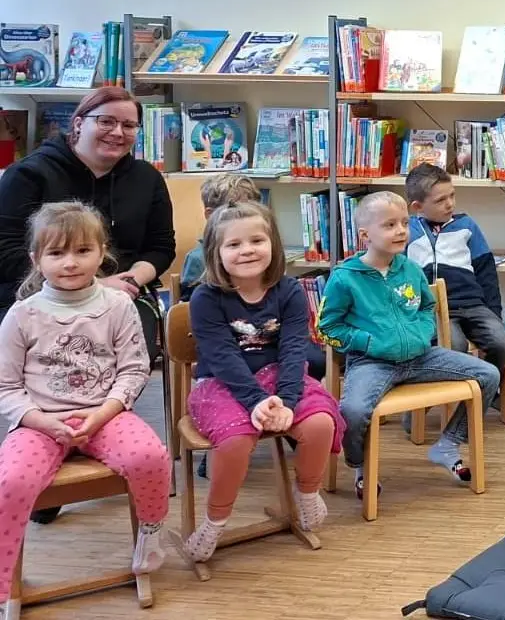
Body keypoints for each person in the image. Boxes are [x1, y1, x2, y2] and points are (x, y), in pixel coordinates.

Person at [0, 202, 169, 601]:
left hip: (106, 414)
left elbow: (134, 369)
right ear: (36, 259)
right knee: (10, 480)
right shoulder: (22, 315)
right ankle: (6, 579)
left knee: (150, 456)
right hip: (39, 421)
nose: (70, 263)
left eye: (82, 251)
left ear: (102, 253)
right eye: (56, 253)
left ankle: (150, 534)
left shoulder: (119, 306)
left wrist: (103, 413)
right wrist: (41, 421)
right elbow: (5, 387)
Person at [180, 202, 342, 562]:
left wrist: (285, 399)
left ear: (273, 245)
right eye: (234, 244)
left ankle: (308, 493)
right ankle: (214, 522)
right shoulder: (206, 298)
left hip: (279, 380)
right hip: (222, 382)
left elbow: (294, 349)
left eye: (257, 240)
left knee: (320, 423)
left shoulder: (289, 291)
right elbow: (222, 357)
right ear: (216, 253)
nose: (247, 250)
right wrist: (256, 401)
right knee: (236, 440)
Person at [318, 192, 501, 501]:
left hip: (420, 356)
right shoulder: (344, 278)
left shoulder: (411, 270)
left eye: (404, 223)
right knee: (353, 408)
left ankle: (447, 444)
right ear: (365, 235)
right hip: (371, 362)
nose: (401, 230)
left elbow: (426, 308)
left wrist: (420, 334)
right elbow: (327, 328)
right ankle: (360, 465)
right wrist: (368, 343)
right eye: (389, 225)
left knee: (488, 375)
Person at [0, 87, 175, 364]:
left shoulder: (147, 178)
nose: (118, 132)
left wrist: (127, 283)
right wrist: (95, 285)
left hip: (121, 297)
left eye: (129, 125)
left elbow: (161, 247)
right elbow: (5, 250)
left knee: (128, 358)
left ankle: (112, 408)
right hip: (37, 296)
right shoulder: (28, 174)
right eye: (106, 121)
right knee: (54, 363)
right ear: (79, 123)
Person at [404, 164, 505, 419]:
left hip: (474, 305)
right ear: (418, 207)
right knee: (454, 345)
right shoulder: (407, 231)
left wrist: (494, 312)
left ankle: (482, 392)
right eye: (441, 200)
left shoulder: (467, 226)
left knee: (503, 343)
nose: (449, 204)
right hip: (434, 309)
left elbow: (486, 271)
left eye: (452, 195)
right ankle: (432, 402)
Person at [179, 173, 261, 301]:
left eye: (250, 212)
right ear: (210, 214)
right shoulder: (197, 259)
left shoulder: (259, 253)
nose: (245, 220)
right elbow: (189, 310)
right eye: (235, 213)